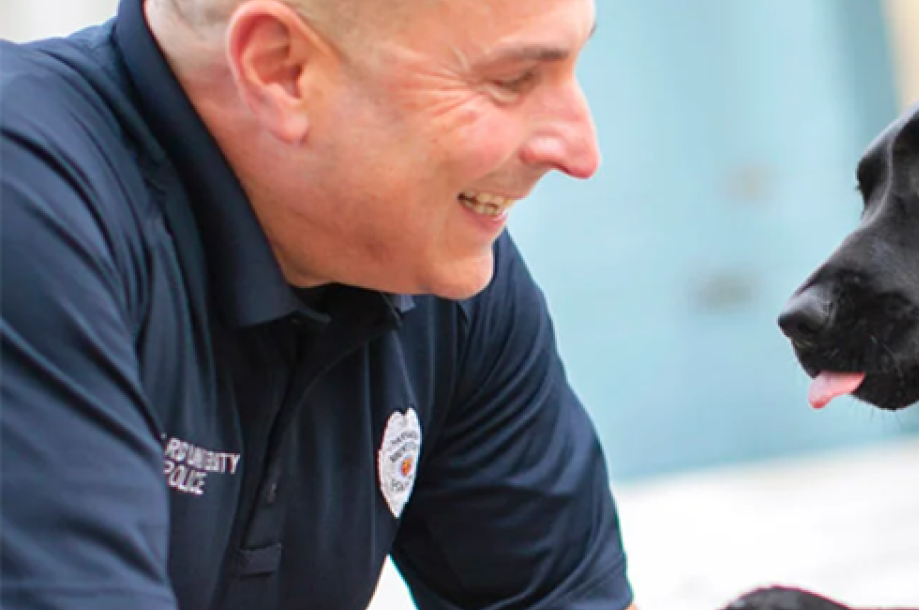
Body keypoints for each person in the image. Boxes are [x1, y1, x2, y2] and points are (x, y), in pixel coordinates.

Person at [0, 0, 636, 608]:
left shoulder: (424, 259)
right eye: (513, 79)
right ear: (281, 69)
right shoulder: (28, 197)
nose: (581, 152)